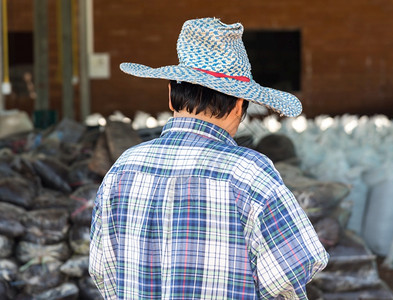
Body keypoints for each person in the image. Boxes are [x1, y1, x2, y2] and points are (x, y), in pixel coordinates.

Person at [89, 17, 328, 299]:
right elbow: (292, 271)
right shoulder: (249, 173)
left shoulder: (123, 168)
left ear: (170, 95)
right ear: (240, 106)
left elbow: (102, 271)